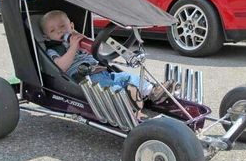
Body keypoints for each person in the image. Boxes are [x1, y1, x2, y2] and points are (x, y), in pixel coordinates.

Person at [40, 10, 176, 112]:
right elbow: (60, 67)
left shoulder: (80, 40)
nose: (59, 32)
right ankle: (128, 99)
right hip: (85, 79)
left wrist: (86, 43)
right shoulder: (53, 49)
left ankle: (151, 91)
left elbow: (98, 52)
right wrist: (73, 48)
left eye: (62, 27)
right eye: (53, 31)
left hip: (102, 70)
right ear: (47, 37)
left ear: (72, 25)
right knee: (110, 88)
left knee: (125, 77)